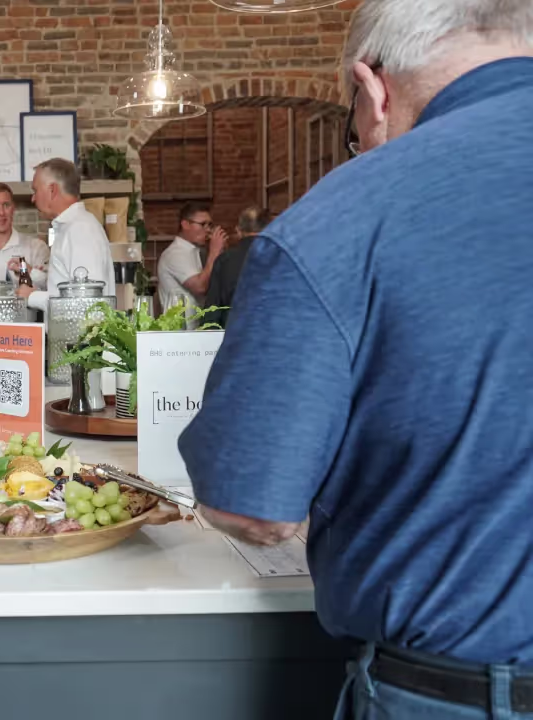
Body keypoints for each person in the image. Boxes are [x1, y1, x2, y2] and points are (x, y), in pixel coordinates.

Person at [179, 1, 533, 718]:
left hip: (461, 692)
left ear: (372, 88)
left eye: (353, 133)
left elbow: (247, 503)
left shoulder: (342, 218)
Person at [18, 159, 114, 311]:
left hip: (80, 335)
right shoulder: (71, 227)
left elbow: (86, 300)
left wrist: (32, 296)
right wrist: (34, 274)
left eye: (35, 190)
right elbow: (66, 284)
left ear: (52, 190)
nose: (33, 198)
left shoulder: (80, 230)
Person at [157, 202, 228, 325]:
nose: (208, 230)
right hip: (180, 332)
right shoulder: (175, 253)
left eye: (210, 225)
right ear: (185, 224)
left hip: (193, 330)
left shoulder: (196, 251)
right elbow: (200, 287)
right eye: (202, 224)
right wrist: (214, 251)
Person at [203, 206, 269, 329]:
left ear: (238, 231)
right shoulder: (280, 259)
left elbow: (212, 314)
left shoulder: (225, 261)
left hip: (234, 336)